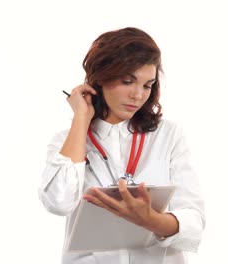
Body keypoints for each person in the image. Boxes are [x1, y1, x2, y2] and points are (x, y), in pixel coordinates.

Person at [38, 27, 205, 264]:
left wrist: (149, 219)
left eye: (147, 85)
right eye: (128, 81)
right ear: (100, 78)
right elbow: (58, 202)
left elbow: (194, 222)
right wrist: (80, 120)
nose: (138, 95)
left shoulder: (168, 136)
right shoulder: (67, 141)